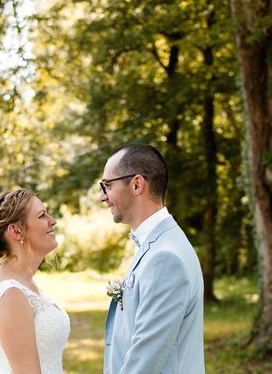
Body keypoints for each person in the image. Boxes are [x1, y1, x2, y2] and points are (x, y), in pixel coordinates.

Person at [100, 143, 205, 374]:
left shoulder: (166, 257)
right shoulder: (160, 244)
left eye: (107, 185)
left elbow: (144, 363)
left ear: (137, 184)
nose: (102, 197)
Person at [0, 188, 69, 374]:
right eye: (42, 216)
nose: (52, 221)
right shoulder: (10, 295)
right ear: (16, 231)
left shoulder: (26, 284)